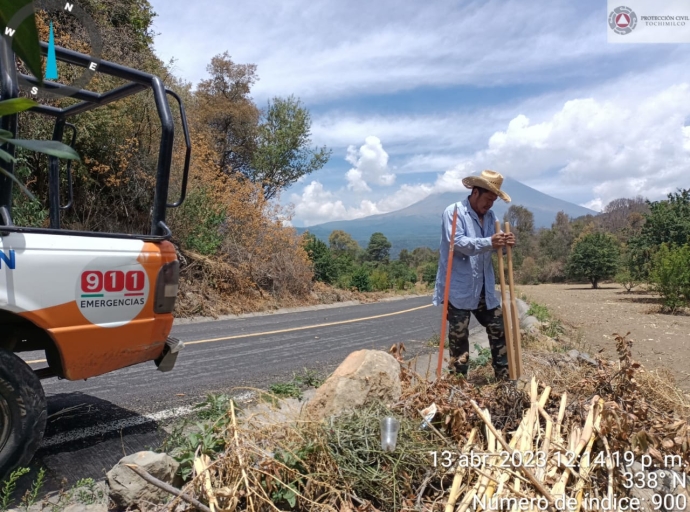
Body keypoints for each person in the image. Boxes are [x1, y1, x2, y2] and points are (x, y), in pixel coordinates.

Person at [432, 169, 515, 380]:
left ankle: (504, 381)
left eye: (494, 201)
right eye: (488, 199)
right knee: (459, 338)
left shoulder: (491, 217)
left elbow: (494, 247)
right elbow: (457, 242)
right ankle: (458, 386)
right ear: (475, 192)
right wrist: (490, 242)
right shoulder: (454, 212)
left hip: (484, 289)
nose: (490, 205)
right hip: (459, 288)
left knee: (500, 328)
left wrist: (504, 244)